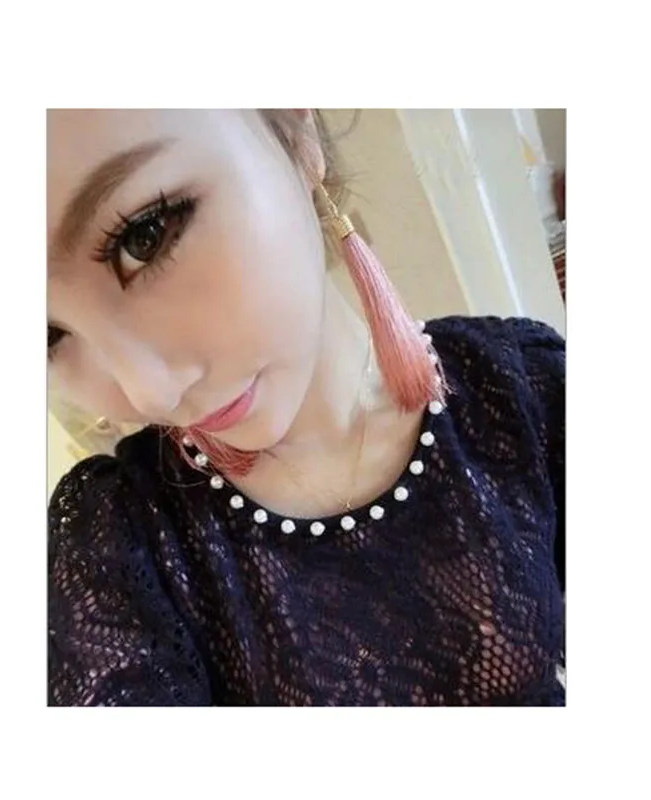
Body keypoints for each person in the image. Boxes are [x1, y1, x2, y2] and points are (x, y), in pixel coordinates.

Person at [47, 109, 565, 706]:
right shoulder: (114, 547)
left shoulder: (519, 388)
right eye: (46, 335)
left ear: (296, 127)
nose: (148, 395)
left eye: (144, 236)